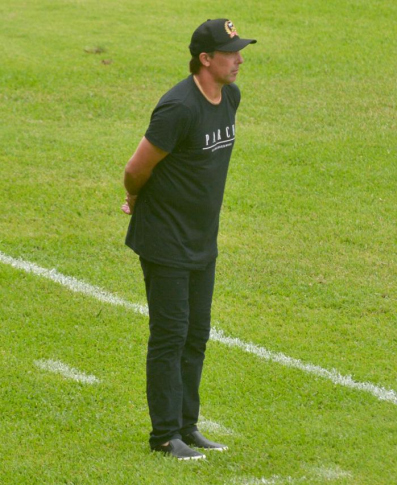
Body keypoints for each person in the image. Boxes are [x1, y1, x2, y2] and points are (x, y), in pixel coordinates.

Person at [121, 19, 256, 460]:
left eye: (239, 50)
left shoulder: (229, 97)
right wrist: (134, 198)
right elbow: (136, 167)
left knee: (196, 334)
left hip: (202, 240)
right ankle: (164, 436)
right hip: (165, 239)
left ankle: (187, 426)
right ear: (205, 59)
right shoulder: (178, 107)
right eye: (230, 52)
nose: (238, 59)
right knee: (170, 335)